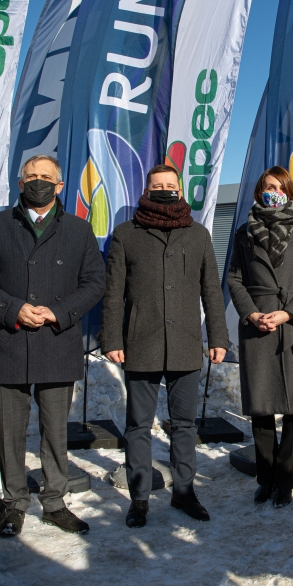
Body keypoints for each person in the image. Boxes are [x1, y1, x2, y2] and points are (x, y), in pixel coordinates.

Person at [0, 155, 105, 537]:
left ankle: (55, 502)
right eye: (31, 177)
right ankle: (13, 502)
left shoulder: (78, 231)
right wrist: (14, 309)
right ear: (19, 182)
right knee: (10, 432)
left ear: (60, 186)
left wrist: (58, 313)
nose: (38, 182)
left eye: (46, 177)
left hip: (56, 342)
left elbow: (95, 283)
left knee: (54, 431)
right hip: (9, 341)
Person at [102, 164, 228, 528]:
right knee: (138, 425)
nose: (164, 189)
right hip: (140, 342)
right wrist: (111, 338)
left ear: (180, 189)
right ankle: (139, 498)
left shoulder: (199, 235)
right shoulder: (127, 234)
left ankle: (184, 491)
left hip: (186, 343)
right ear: (146, 189)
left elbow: (211, 292)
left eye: (170, 185)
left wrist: (217, 337)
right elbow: (113, 294)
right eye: (157, 185)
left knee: (185, 424)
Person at [228, 167, 293, 508]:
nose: (273, 192)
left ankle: (286, 480)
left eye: (279, 187)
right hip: (258, 325)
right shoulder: (244, 232)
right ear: (258, 192)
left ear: (290, 192)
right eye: (267, 187)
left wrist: (288, 312)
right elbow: (235, 279)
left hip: (291, 321)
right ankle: (266, 478)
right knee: (262, 407)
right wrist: (251, 313)